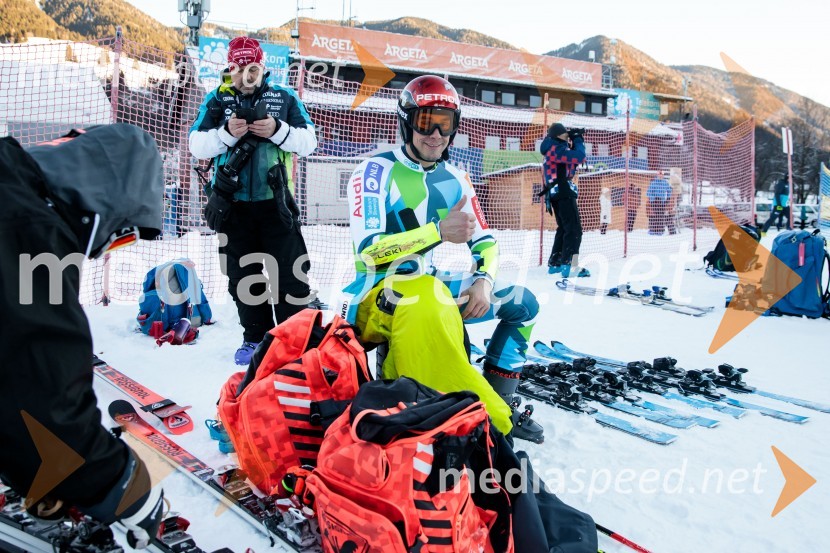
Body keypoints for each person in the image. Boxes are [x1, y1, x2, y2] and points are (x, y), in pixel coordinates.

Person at [338, 75, 544, 444]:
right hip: (373, 294)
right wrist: (436, 232)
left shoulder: (456, 178)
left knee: (523, 303)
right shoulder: (373, 171)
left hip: (430, 285)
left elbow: (486, 240)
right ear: (406, 122)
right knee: (428, 299)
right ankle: (437, 399)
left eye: (444, 124)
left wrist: (483, 279)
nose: (435, 134)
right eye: (425, 121)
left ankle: (503, 400)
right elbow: (369, 250)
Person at [0, 125, 166, 548]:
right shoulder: (28, 226)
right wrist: (114, 481)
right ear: (103, 201)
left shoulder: (13, 187)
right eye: (122, 232)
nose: (105, 248)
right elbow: (41, 392)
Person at [189, 36, 318, 365]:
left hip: (276, 203)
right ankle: (255, 338)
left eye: (253, 68)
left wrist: (277, 129)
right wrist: (225, 135)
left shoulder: (285, 97)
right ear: (230, 68)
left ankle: (292, 340)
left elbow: (309, 142)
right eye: (239, 68)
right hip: (233, 206)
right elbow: (196, 144)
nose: (247, 75)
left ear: (263, 67)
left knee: (290, 274)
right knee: (244, 275)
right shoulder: (216, 99)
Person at [539, 122, 589, 277]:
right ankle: (569, 264)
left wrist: (575, 140)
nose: (568, 137)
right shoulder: (556, 149)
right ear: (559, 136)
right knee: (574, 229)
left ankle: (556, 263)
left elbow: (572, 158)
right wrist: (579, 140)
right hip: (563, 191)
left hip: (557, 192)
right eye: (566, 135)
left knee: (564, 228)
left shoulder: (554, 148)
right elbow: (579, 157)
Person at [646, 170, 673, 235]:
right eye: (659, 175)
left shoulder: (665, 182)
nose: (660, 176)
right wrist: (652, 199)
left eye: (662, 175)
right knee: (654, 216)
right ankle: (653, 230)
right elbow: (648, 192)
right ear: (657, 175)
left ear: (663, 175)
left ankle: (660, 230)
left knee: (660, 216)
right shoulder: (654, 183)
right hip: (654, 201)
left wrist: (668, 198)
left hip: (662, 202)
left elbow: (669, 190)